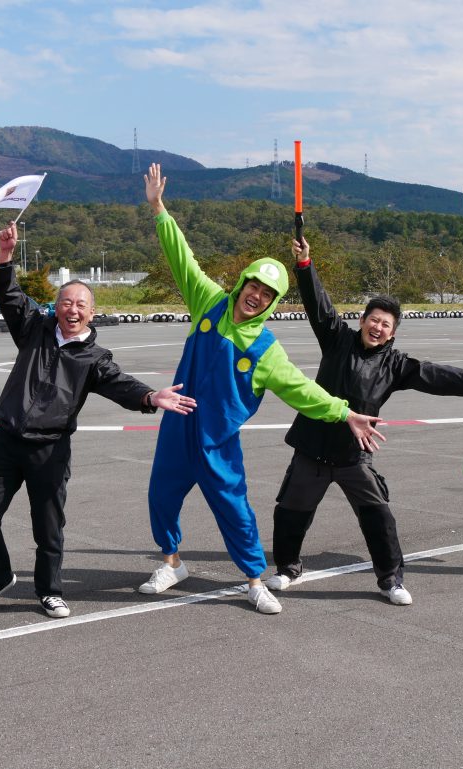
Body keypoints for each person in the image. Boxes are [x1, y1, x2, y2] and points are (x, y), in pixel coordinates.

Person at [137, 163, 385, 614]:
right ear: (243, 283)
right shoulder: (208, 301)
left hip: (217, 442)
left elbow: (303, 391)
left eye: (267, 294)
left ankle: (254, 580)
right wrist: (159, 210)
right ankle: (172, 563)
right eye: (254, 285)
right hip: (177, 427)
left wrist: (345, 413)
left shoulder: (266, 349)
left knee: (235, 511)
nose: (256, 295)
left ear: (272, 303)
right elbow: (182, 258)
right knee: (161, 498)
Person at [0, 221, 197, 619]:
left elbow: (120, 384)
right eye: (66, 302)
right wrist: (4, 256)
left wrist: (150, 396)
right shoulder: (33, 329)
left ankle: (49, 591)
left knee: (48, 528)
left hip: (50, 450)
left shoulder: (94, 358)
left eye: (81, 305)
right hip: (6, 441)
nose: (72, 310)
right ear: (56, 306)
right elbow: (9, 295)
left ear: (91, 313)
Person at [264, 237, 463, 605]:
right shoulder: (336, 340)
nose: (378, 327)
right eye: (374, 320)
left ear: (392, 333)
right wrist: (304, 265)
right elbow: (319, 304)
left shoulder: (395, 365)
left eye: (386, 324)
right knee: (290, 513)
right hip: (311, 448)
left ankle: (391, 580)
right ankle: (287, 568)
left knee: (378, 517)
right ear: (361, 320)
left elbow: (432, 375)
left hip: (354, 455)